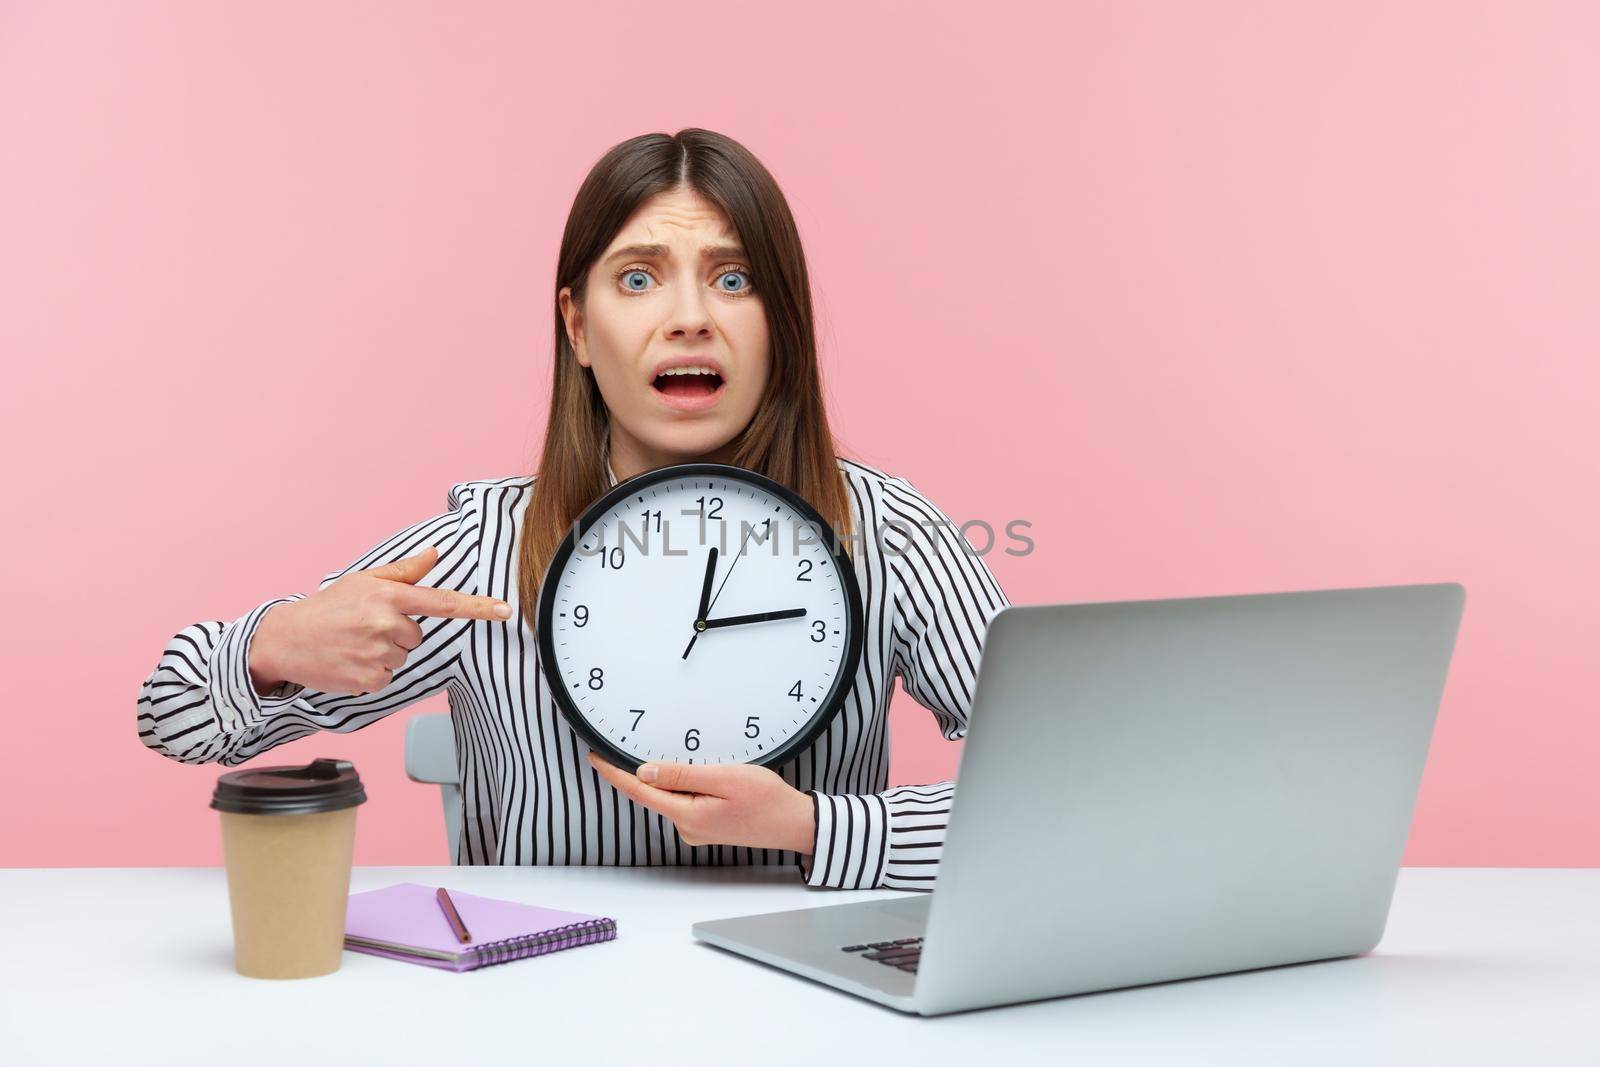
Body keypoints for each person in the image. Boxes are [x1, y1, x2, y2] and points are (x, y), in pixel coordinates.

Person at [137, 128, 1011, 891]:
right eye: (638, 279)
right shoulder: (483, 552)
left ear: (782, 322)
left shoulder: (887, 535)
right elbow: (169, 711)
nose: (690, 318)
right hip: (542, 1006)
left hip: (807, 1005)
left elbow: (1069, 789)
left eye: (734, 278)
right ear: (579, 327)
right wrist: (272, 648)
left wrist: (812, 829)